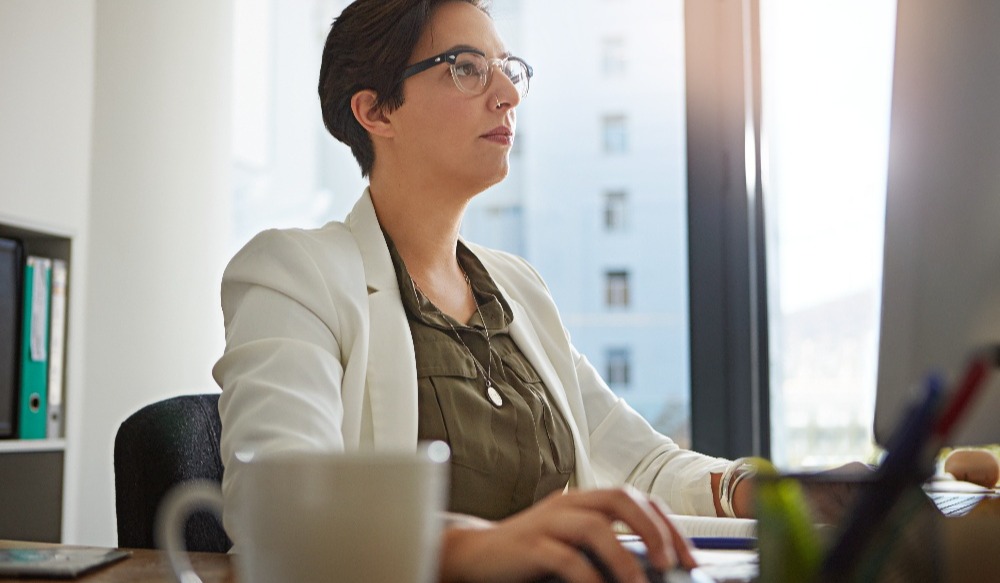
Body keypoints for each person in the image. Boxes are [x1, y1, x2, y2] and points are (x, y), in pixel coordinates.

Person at [212, 0, 817, 581]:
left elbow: (638, 463)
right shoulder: (295, 272)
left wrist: (753, 490)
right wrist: (473, 547)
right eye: (466, 69)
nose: (507, 95)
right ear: (377, 112)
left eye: (507, 70)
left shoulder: (516, 289)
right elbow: (277, 508)